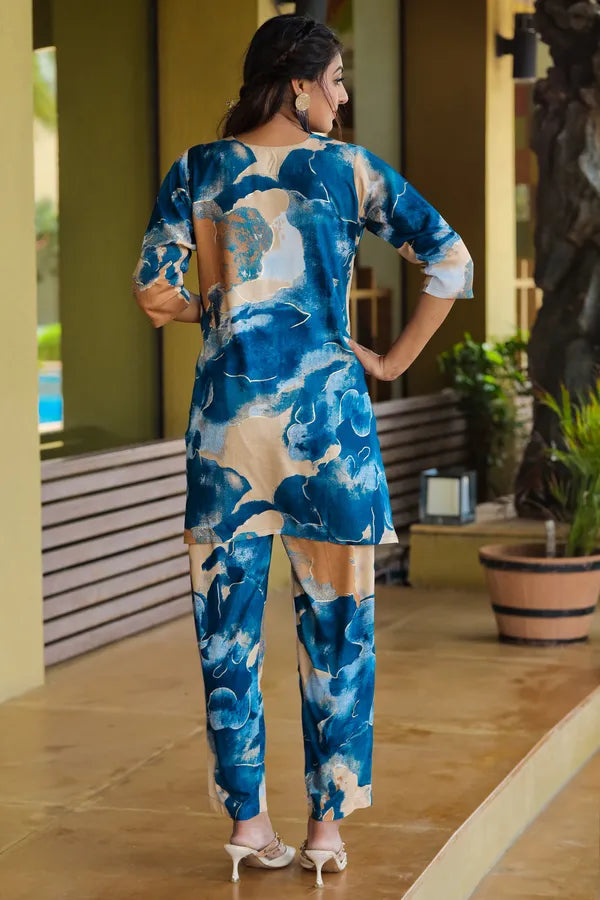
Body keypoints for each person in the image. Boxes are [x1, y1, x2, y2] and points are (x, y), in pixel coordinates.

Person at [132, 13, 473, 887]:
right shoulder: (350, 172)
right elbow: (451, 261)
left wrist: (221, 300)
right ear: (298, 84)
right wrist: (391, 361)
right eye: (337, 80)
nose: (343, 96)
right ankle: (325, 832)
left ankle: (249, 824)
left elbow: (154, 295)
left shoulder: (198, 170)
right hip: (329, 433)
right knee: (339, 634)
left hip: (230, 435)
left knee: (227, 635)